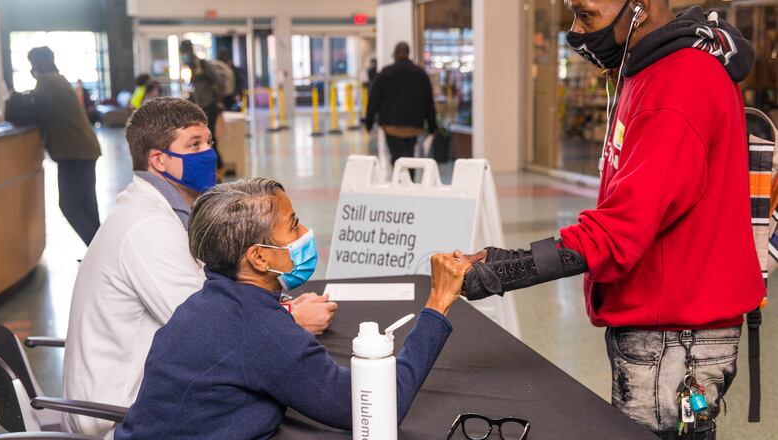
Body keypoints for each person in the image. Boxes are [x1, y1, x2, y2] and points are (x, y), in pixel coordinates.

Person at [458, 2, 763, 439]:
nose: (576, 31)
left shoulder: (680, 83)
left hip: (673, 339)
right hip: (661, 325)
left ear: (640, 7)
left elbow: (621, 228)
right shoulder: (646, 70)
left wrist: (503, 270)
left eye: (586, 16)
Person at [114, 178, 470, 439]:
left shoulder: (206, 304)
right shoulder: (260, 330)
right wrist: (438, 303)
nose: (306, 232)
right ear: (259, 257)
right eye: (294, 226)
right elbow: (376, 407)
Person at [62, 98, 336, 438]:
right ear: (158, 160)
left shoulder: (168, 212)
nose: (209, 153)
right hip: (121, 413)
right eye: (194, 145)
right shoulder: (147, 227)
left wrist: (283, 311)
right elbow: (211, 329)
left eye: (208, 142)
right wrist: (294, 319)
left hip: (150, 390)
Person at [28, 47, 101, 246]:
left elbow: (37, 112)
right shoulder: (58, 78)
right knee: (87, 205)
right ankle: (101, 254)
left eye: (32, 63)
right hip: (84, 148)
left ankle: (99, 252)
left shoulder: (46, 81)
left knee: (69, 205)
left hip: (73, 151)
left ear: (37, 63)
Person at [365, 42, 437, 169]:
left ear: (395, 54)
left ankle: (401, 180)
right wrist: (432, 125)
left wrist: (369, 121)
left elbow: (374, 99)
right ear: (408, 54)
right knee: (409, 155)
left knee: (397, 156)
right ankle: (409, 178)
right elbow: (428, 101)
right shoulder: (420, 74)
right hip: (414, 124)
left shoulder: (386, 73)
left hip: (391, 124)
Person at [179, 40, 224, 172]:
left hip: (209, 106)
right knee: (200, 137)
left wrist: (216, 100)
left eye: (184, 52)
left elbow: (219, 82)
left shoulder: (202, 64)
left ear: (189, 51)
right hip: (199, 108)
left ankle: (218, 167)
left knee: (209, 137)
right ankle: (209, 166)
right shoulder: (191, 67)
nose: (183, 56)